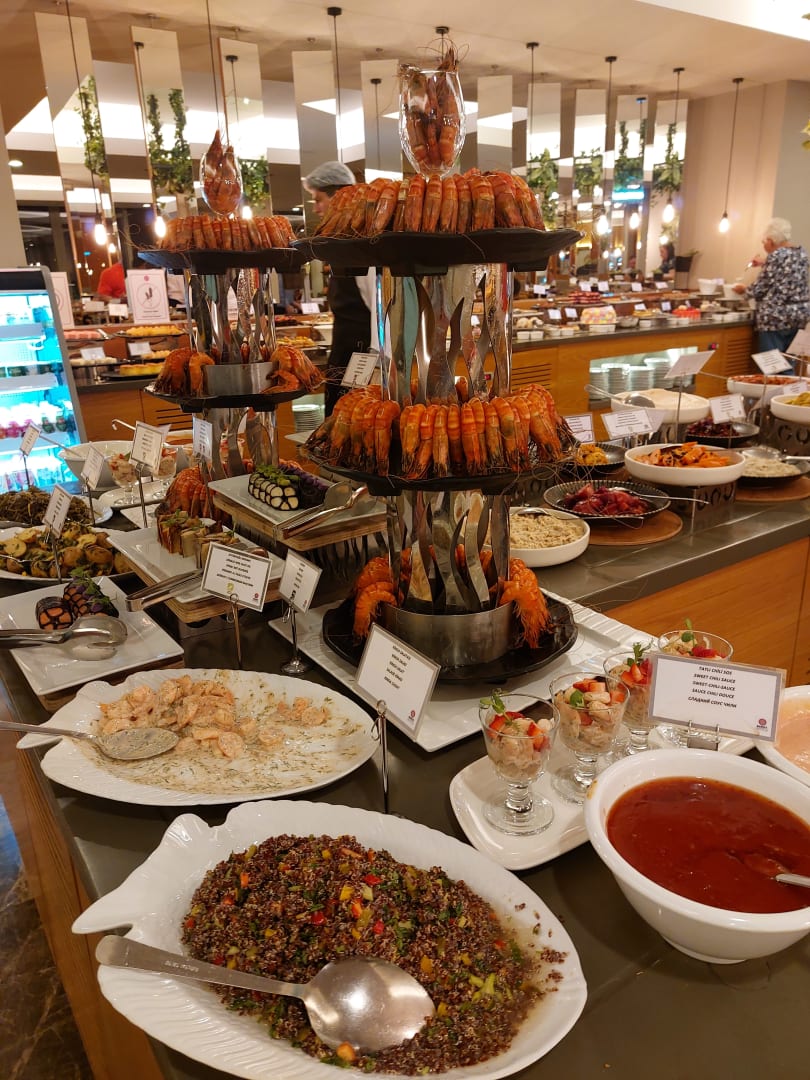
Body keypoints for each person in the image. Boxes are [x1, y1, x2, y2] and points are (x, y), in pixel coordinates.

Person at [303, 161, 376, 416]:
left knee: (352, 420)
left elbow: (378, 309)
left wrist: (377, 362)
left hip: (361, 355)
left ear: (339, 197)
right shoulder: (343, 242)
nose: (316, 208)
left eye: (318, 200)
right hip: (343, 351)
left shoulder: (361, 244)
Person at [733, 217, 810, 359]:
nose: (764, 246)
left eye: (764, 242)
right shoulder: (801, 253)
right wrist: (764, 262)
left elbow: (759, 288)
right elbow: (788, 271)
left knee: (772, 363)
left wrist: (743, 290)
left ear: (771, 241)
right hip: (799, 316)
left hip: (775, 318)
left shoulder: (775, 256)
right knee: (790, 359)